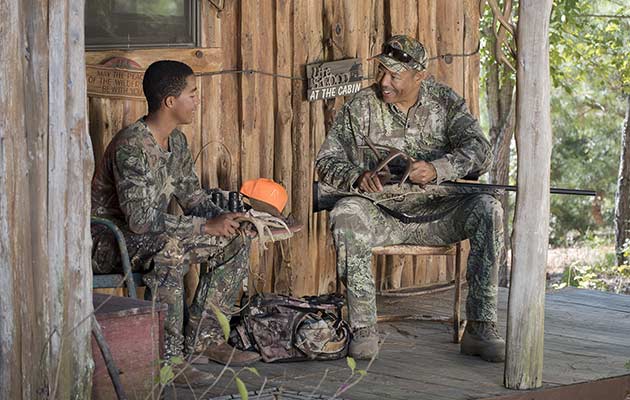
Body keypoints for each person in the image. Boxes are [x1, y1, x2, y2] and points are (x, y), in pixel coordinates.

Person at [315, 35, 505, 362]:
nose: (383, 81)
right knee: (345, 212)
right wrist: (357, 177)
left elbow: (482, 153)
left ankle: (480, 327)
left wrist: (437, 168)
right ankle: (363, 330)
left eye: (394, 75)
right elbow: (325, 161)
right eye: (381, 71)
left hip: (439, 216)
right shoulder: (361, 106)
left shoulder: (446, 103)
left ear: (420, 77)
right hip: (381, 215)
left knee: (489, 208)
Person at [91, 60, 260, 386]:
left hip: (150, 234)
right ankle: (168, 360)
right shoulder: (132, 146)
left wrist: (228, 219)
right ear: (170, 102)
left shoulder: (177, 141)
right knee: (171, 252)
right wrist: (203, 228)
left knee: (237, 237)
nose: (197, 101)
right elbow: (139, 222)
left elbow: (193, 200)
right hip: (109, 241)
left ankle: (206, 336)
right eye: (192, 94)